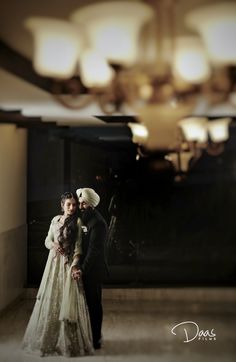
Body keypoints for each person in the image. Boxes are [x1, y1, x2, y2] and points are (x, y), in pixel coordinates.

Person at [22, 192, 94, 357]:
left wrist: (75, 266)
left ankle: (69, 345)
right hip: (53, 265)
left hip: (67, 266)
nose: (72, 207)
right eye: (68, 204)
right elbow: (47, 240)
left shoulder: (77, 221)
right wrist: (54, 245)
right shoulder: (55, 220)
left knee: (68, 302)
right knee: (50, 301)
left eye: (74, 205)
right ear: (62, 205)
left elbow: (78, 248)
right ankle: (46, 342)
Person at [72, 188, 108, 350]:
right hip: (86, 268)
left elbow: (94, 251)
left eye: (83, 203)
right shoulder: (86, 218)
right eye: (79, 203)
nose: (80, 206)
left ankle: (96, 339)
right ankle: (86, 337)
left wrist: (82, 270)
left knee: (94, 305)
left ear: (91, 204)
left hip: (93, 271)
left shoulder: (98, 223)